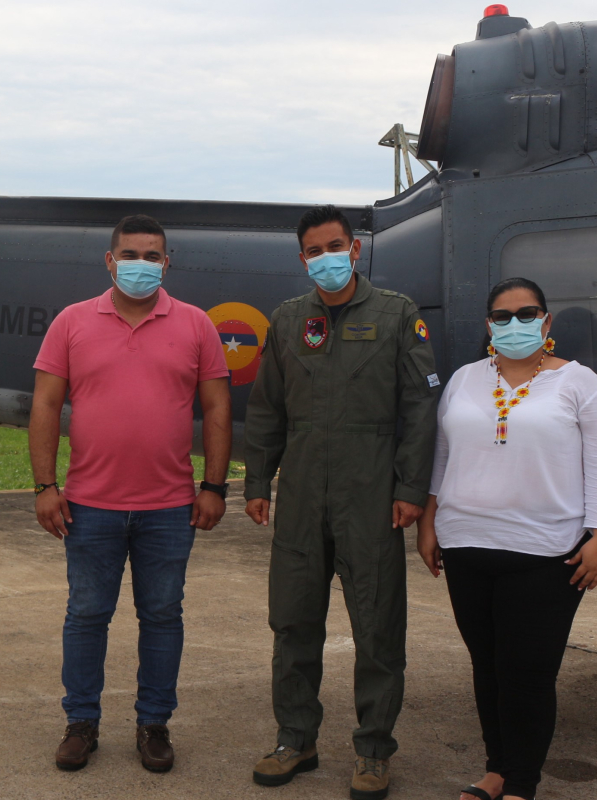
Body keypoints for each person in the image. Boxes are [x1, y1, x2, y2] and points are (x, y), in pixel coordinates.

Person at [243, 205, 441, 800]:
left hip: (372, 495)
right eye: (313, 250)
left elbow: (418, 409)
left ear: (354, 249)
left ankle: (374, 751)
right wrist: (257, 482)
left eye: (335, 246)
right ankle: (295, 739)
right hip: (302, 494)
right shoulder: (287, 321)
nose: (325, 258)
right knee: (293, 622)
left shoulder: (397, 314)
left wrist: (409, 489)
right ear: (302, 258)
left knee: (378, 628)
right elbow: (266, 409)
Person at [29, 214, 232, 774]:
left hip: (169, 506)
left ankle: (153, 724)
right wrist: (46, 485)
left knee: (163, 615)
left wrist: (214, 486)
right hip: (89, 503)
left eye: (152, 256)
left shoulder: (195, 325)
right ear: (109, 260)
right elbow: (45, 405)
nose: (140, 265)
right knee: (87, 614)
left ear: (167, 263)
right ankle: (81, 722)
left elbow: (216, 408)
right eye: (129, 254)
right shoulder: (72, 322)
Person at [416, 277, 597, 800]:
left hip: (544, 554)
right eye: (503, 316)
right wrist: (429, 521)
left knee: (527, 674)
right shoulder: (464, 380)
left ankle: (522, 784)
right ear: (489, 325)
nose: (515, 325)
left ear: (546, 321)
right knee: (486, 667)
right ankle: (496, 769)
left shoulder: (580, 384)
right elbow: (443, 457)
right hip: (465, 545)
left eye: (527, 314)